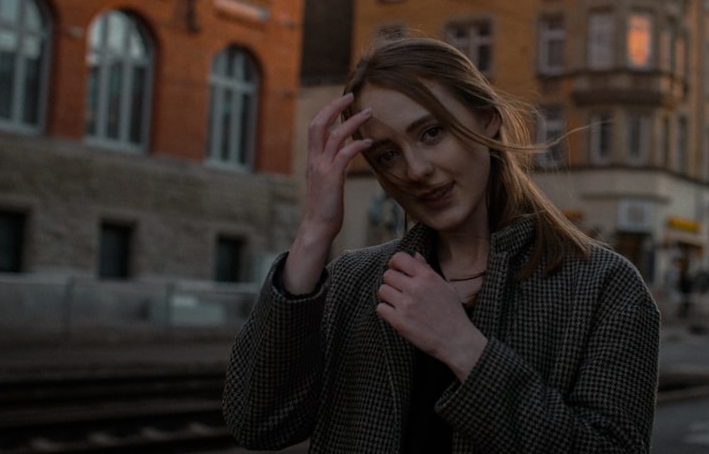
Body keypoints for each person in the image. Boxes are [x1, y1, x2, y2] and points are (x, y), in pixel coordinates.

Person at [223, 35, 661, 454]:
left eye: (432, 132)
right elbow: (258, 423)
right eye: (387, 155)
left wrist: (463, 347)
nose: (415, 170)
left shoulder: (604, 287)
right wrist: (314, 234)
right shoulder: (353, 282)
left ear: (487, 118)